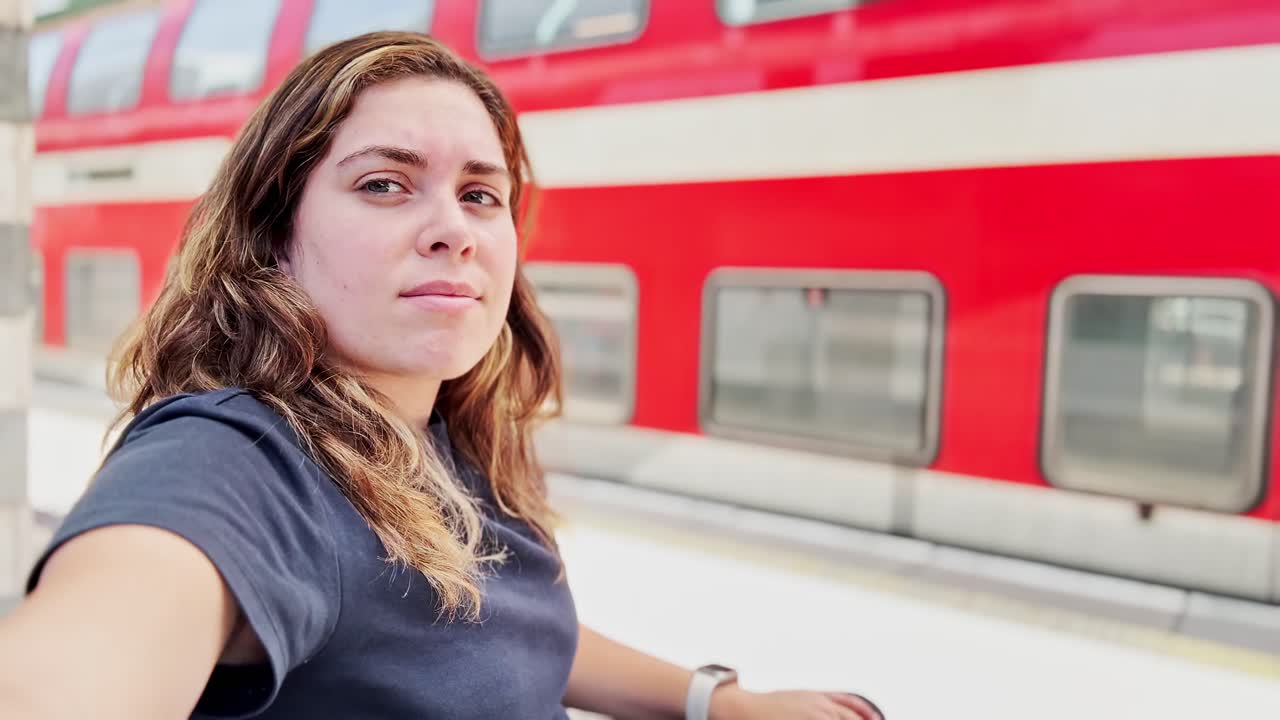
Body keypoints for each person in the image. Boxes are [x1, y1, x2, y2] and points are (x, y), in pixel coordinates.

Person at [0, 32, 884, 720]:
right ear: (274, 239)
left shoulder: (428, 437)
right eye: (385, 185)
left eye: (480, 194)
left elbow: (496, 627)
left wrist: (712, 701)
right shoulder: (234, 463)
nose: (453, 229)